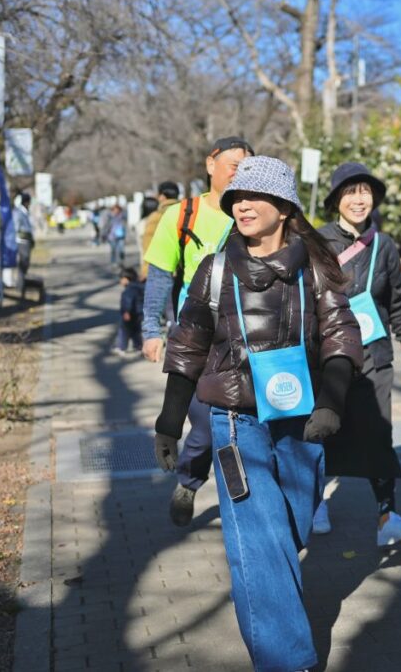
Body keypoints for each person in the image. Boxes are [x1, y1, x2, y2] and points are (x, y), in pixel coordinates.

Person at [154, 155, 361, 672]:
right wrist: (169, 420)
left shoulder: (316, 266)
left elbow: (341, 334)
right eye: (236, 199)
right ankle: (289, 661)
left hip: (302, 421)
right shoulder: (215, 269)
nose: (242, 205)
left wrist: (332, 401)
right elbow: (186, 346)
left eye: (255, 197)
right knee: (261, 542)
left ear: (285, 206)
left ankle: (271, 610)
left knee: (287, 531)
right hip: (233, 422)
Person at [141, 137, 254, 526]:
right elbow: (159, 276)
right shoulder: (182, 214)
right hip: (196, 337)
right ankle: (189, 482)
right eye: (233, 163)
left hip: (247, 338)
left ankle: (242, 502)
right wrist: (151, 329)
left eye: (247, 165)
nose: (240, 170)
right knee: (206, 424)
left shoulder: (254, 211)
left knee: (244, 425)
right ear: (211, 164)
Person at [314, 162, 401, 548]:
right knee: (327, 429)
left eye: (364, 191)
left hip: (375, 354)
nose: (359, 199)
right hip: (329, 355)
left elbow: (396, 301)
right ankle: (315, 504)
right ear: (336, 200)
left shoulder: (384, 245)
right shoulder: (318, 242)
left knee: (378, 433)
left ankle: (386, 516)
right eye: (350, 192)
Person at [138, 181, 181, 281]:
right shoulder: (188, 213)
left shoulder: (156, 217)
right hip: (187, 271)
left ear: (162, 196)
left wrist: (145, 271)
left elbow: (148, 247)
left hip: (162, 271)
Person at [115, 266, 144, 356]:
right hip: (139, 313)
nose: (120, 281)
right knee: (136, 330)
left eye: (121, 279)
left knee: (124, 330)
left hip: (130, 313)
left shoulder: (129, 290)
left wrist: (126, 311)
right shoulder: (139, 286)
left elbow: (128, 300)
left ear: (127, 279)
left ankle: (122, 347)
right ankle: (138, 346)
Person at [13, 193, 35, 295]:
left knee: (26, 263)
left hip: (27, 240)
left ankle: (22, 283)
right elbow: (16, 226)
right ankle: (20, 285)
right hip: (21, 241)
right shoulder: (18, 212)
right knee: (23, 263)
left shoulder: (25, 212)